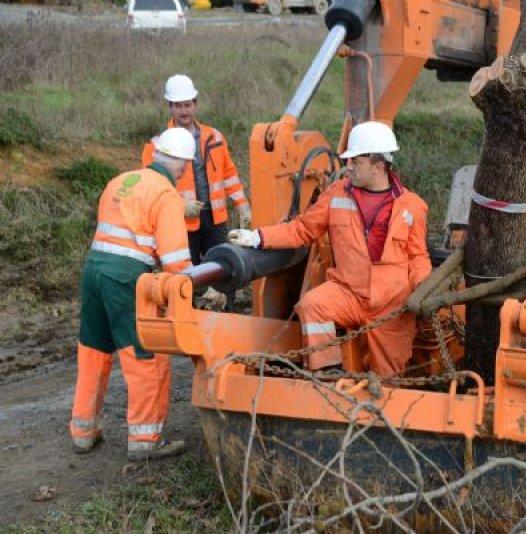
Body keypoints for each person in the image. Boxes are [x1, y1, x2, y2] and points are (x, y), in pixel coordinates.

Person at [228, 121, 431, 376]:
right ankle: (328, 373)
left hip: (392, 304)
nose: (348, 167)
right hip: (348, 292)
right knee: (313, 304)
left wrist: (423, 291)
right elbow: (301, 229)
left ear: (379, 166)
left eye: (355, 161)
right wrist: (258, 237)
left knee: (389, 379)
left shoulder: (413, 206)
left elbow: (418, 256)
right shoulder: (337, 194)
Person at [70, 128, 198, 461]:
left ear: (157, 153)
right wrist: (195, 291)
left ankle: (83, 432)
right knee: (146, 355)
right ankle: (145, 438)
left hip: (94, 270)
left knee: (93, 349)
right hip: (125, 278)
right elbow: (175, 262)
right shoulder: (166, 194)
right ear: (182, 164)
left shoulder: (121, 180)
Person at [142, 74, 251, 309]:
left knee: (224, 267)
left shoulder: (214, 137)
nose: (184, 110)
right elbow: (150, 187)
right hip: (180, 221)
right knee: (181, 274)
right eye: (178, 105)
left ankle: (225, 314)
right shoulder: (157, 145)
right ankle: (187, 317)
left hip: (215, 217)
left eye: (188, 104)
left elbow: (229, 173)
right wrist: (181, 206)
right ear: (170, 107)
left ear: (196, 104)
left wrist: (241, 204)